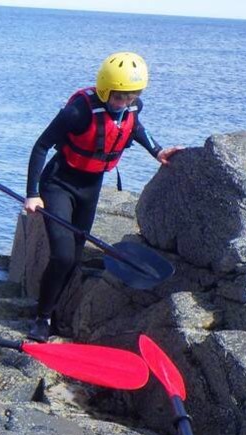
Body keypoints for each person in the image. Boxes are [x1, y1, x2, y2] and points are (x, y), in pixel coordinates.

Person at [23, 51, 181, 343]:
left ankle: (55, 310)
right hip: (59, 183)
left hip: (90, 186)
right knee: (62, 255)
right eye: (119, 97)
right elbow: (41, 146)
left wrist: (157, 150)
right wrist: (32, 193)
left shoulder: (132, 108)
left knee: (75, 258)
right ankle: (41, 318)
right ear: (105, 88)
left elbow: (135, 129)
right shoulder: (79, 111)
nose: (124, 103)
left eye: (131, 97)